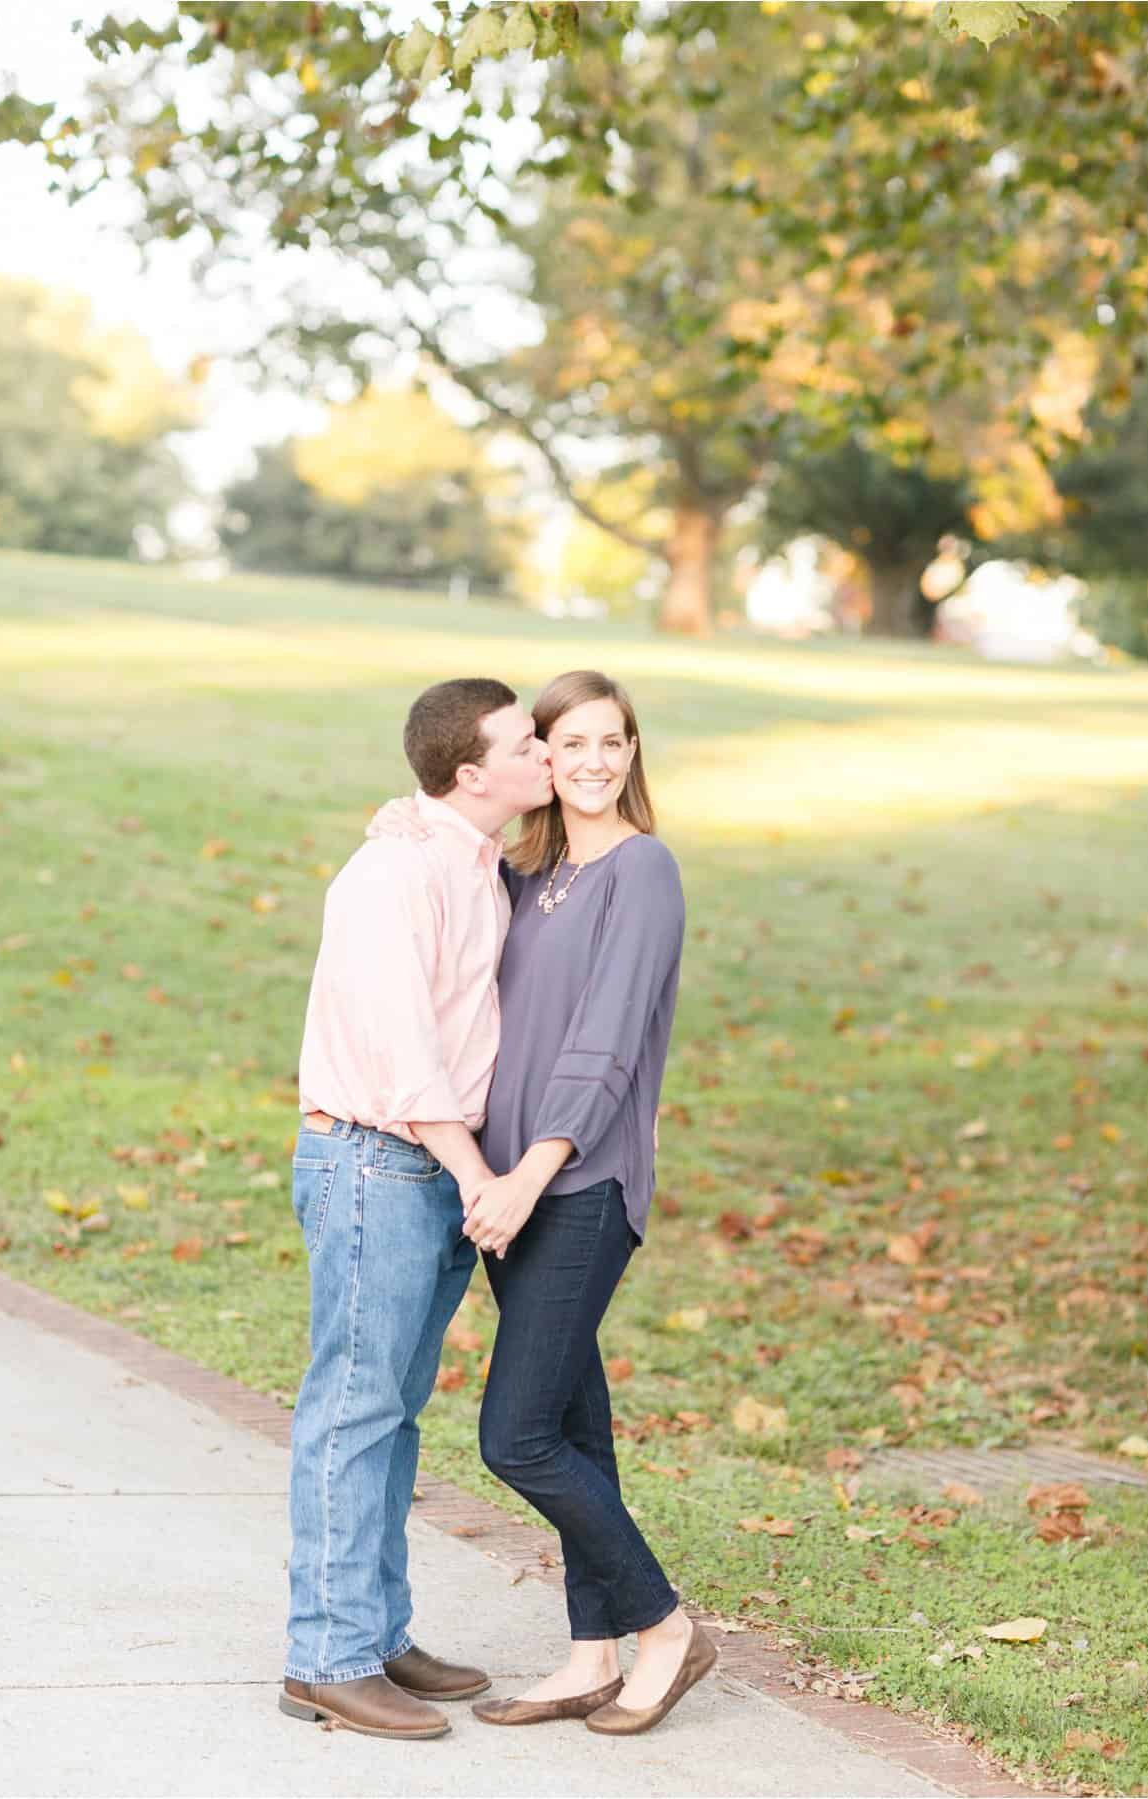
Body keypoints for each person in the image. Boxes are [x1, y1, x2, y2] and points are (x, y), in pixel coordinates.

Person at [369, 669, 716, 1737]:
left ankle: (664, 1626)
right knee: (575, 1423)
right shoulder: (534, 873)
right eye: (573, 743)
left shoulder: (642, 871)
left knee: (515, 1434)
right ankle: (588, 1652)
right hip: (512, 1189)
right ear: (543, 760)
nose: (597, 761)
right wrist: (406, 824)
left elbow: (607, 1041)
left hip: (577, 1183)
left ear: (632, 751)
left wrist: (526, 1174)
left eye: (616, 741)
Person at [281, 677, 553, 1741]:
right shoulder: (393, 869)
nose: (543, 757)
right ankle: (327, 1656)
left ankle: (377, 1630)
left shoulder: (473, 861)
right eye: (527, 743)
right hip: (377, 1162)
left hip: (432, 1167)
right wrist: (475, 1172)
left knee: (391, 1415)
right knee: (351, 1411)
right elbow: (400, 1046)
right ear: (471, 771)